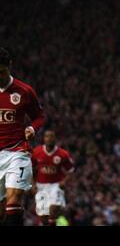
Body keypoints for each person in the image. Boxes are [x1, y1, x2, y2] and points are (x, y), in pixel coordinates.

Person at [0, 47, 45, 226]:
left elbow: (39, 117)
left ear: (9, 66)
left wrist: (32, 129)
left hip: (17, 152)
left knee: (15, 198)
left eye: (1, 72)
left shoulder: (24, 91)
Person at [31, 130, 74, 226]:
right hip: (40, 185)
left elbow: (71, 170)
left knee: (53, 209)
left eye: (52, 136)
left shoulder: (63, 154)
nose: (49, 138)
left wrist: (64, 181)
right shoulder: (36, 152)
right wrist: (32, 184)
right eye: (47, 136)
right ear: (44, 139)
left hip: (55, 185)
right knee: (43, 217)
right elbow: (31, 169)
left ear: (55, 139)